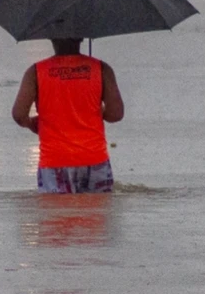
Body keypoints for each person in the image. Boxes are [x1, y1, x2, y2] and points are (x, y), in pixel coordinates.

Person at [11, 38, 125, 194]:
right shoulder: (102, 69)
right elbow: (116, 114)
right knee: (97, 215)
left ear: (51, 38)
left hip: (54, 160)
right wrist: (97, 110)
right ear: (82, 38)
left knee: (56, 216)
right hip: (94, 158)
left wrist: (33, 124)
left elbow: (19, 115)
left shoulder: (36, 72)